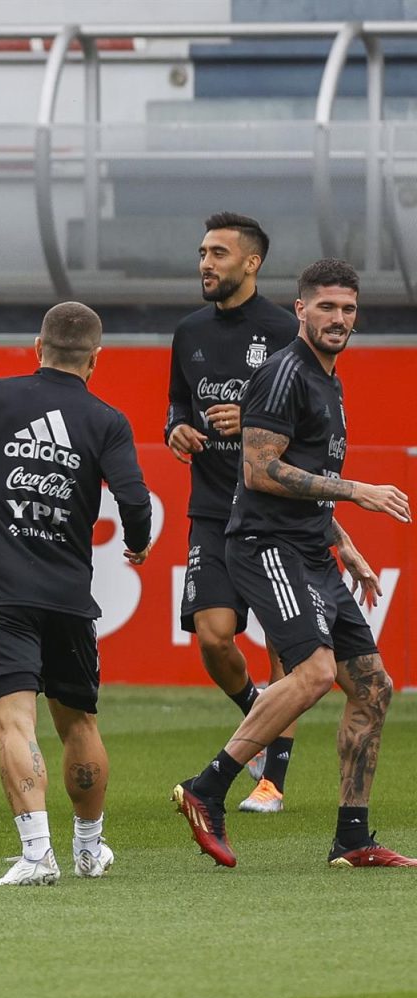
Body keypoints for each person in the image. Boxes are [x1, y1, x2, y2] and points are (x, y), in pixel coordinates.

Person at [173, 258, 415, 870]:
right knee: (311, 673)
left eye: (349, 309)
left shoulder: (326, 377)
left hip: (309, 549)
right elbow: (258, 470)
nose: (339, 319)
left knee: (373, 689)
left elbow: (303, 473)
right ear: (300, 310)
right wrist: (355, 491)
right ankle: (208, 788)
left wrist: (345, 544)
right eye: (327, 307)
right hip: (265, 547)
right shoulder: (285, 372)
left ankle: (352, 839)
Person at [0, 302, 152, 884]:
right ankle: (90, 848)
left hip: (1, 597)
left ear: (36, 346)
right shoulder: (107, 420)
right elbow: (136, 502)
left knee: (13, 725)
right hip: (69, 598)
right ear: (96, 359)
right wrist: (138, 544)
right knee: (79, 725)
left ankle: (37, 854)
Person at [166, 212, 302, 813]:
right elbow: (177, 402)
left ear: (252, 263)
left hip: (274, 512)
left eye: (218, 253)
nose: (205, 263)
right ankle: (258, 717)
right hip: (211, 508)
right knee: (214, 637)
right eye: (202, 252)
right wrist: (176, 430)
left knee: (281, 643)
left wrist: (251, 423)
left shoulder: (283, 332)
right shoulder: (189, 330)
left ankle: (272, 781)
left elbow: (312, 424)